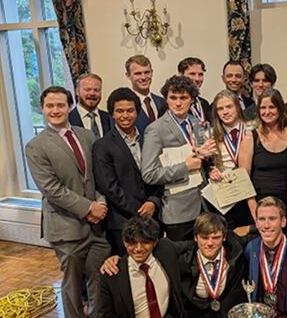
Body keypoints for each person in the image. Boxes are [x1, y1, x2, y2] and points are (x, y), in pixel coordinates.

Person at [24, 86, 110, 318]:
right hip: (65, 226)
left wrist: (101, 203)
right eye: (50, 106)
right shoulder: (35, 146)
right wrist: (88, 208)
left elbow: (97, 175)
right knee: (72, 283)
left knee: (99, 274)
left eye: (61, 105)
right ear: (43, 109)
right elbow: (52, 190)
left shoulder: (87, 136)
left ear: (71, 106)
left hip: (96, 225)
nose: (55, 110)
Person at [141, 75, 217, 241]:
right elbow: (149, 174)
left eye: (183, 98)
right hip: (177, 208)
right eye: (173, 98)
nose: (178, 103)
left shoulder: (197, 123)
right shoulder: (155, 129)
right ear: (166, 100)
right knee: (182, 260)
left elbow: (201, 160)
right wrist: (185, 166)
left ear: (192, 100)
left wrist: (209, 164)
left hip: (203, 202)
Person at [93, 87, 162, 256]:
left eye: (130, 110)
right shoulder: (103, 145)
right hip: (122, 221)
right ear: (112, 114)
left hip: (153, 215)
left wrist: (153, 201)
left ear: (137, 112)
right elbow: (109, 187)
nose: (125, 115)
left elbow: (159, 172)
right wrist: (140, 211)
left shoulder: (149, 139)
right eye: (120, 111)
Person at [238, 88, 287, 217]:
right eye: (263, 108)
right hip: (259, 206)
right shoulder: (250, 137)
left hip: (286, 204)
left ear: (280, 108)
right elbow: (244, 180)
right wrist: (256, 213)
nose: (267, 112)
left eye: (272, 107)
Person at [206, 90, 254, 228]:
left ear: (237, 107)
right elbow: (206, 164)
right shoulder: (210, 134)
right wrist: (210, 170)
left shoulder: (252, 129)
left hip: (250, 190)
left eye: (229, 107)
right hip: (226, 194)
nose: (225, 112)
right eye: (220, 109)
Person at [125, 55, 165, 135]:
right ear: (128, 76)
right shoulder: (124, 105)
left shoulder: (162, 102)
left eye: (147, 72)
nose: (143, 77)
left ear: (152, 73)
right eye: (138, 73)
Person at [69, 73, 113, 138]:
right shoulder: (67, 120)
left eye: (96, 90)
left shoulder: (110, 118)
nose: (92, 93)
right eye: (87, 89)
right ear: (77, 91)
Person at [177, 56, 212, 123]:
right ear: (181, 75)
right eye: (192, 74)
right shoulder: (172, 105)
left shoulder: (204, 104)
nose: (197, 79)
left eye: (200, 74)